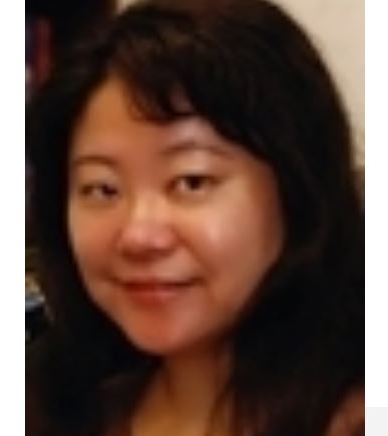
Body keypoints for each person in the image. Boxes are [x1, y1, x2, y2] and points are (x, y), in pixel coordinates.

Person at [26, 0, 364, 435]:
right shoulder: (46, 407)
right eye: (102, 189)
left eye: (191, 181)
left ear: (298, 190)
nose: (139, 235)